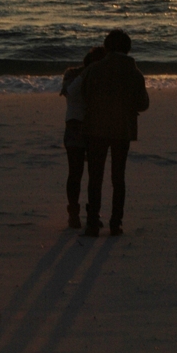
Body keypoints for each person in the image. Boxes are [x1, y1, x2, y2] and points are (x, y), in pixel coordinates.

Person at [81, 28, 149, 237]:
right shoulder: (134, 73)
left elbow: (85, 95)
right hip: (123, 129)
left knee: (95, 176)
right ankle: (116, 222)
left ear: (107, 47)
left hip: (96, 128)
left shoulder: (94, 69)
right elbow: (143, 104)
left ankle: (93, 222)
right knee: (118, 177)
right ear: (128, 49)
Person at [60, 46, 106, 229]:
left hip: (93, 127)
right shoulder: (73, 75)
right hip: (76, 126)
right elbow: (70, 93)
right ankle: (74, 213)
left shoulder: (100, 79)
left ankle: (92, 214)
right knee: (76, 173)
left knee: (93, 175)